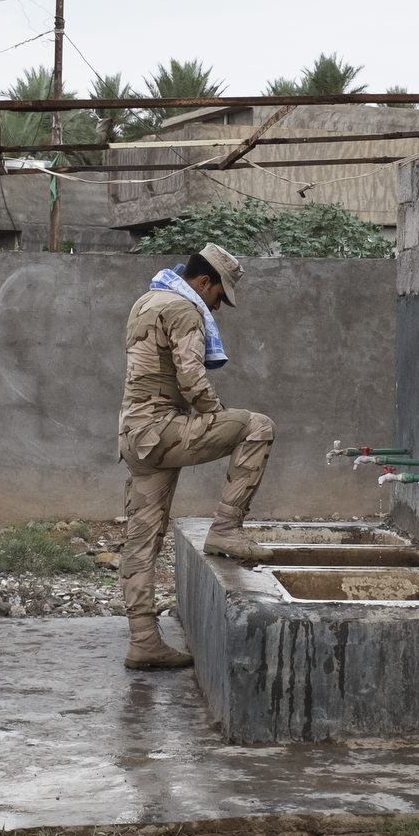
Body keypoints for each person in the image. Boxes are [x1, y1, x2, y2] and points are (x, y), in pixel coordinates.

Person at [116, 243, 275, 670]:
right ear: (203, 281)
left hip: (135, 436)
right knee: (257, 425)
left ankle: (144, 641)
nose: (218, 306)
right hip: (163, 429)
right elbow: (192, 378)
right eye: (219, 296)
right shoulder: (184, 309)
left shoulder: (146, 300)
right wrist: (218, 418)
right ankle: (226, 528)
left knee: (142, 540)